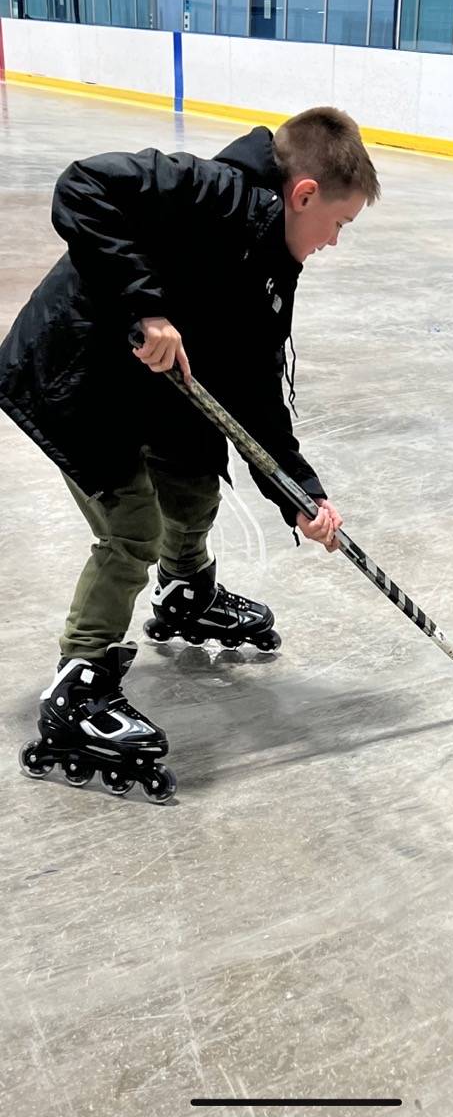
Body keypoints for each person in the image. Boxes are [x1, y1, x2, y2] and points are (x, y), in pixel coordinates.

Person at [0, 105, 380, 801]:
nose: (334, 241)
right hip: (75, 373)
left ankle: (186, 593)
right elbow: (83, 186)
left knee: (196, 476)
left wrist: (300, 493)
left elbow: (255, 391)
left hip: (147, 389)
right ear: (303, 196)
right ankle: (77, 691)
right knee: (130, 531)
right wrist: (145, 309)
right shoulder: (209, 190)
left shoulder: (273, 258)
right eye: (338, 223)